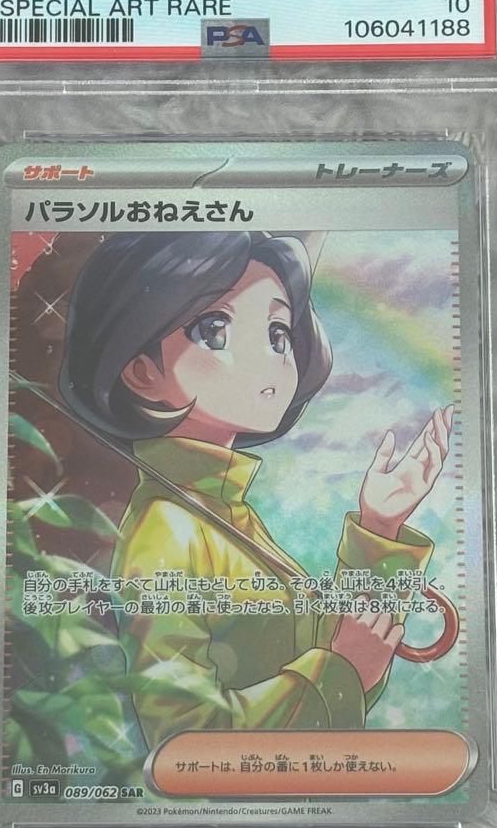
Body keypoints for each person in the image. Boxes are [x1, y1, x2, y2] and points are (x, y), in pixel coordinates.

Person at [60, 231, 453, 750]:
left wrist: (379, 527)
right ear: (142, 372)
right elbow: (183, 742)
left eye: (277, 334)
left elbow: (338, 668)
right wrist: (341, 668)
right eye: (214, 330)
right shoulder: (169, 529)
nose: (268, 360)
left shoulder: (224, 512)